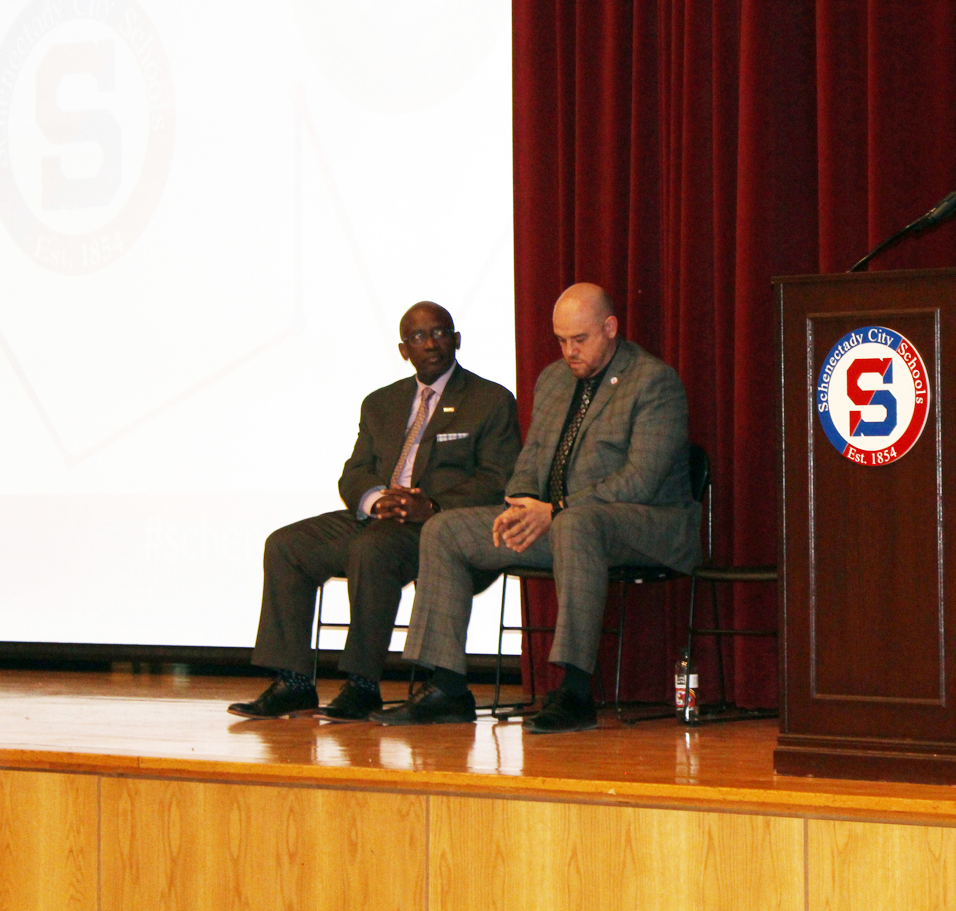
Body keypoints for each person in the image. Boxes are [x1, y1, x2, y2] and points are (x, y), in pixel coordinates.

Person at [373, 282, 700, 733]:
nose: (569, 351)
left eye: (579, 340)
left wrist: (558, 508)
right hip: (563, 523)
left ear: (610, 328)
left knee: (575, 524)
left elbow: (639, 480)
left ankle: (575, 691)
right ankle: (445, 687)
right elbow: (529, 461)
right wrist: (519, 504)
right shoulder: (553, 380)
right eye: (561, 340)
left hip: (647, 524)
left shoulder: (653, 382)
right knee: (444, 530)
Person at [228, 301, 520, 721]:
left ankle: (363, 685)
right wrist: (375, 499)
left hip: (438, 525)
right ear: (404, 350)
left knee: (373, 550)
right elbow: (355, 471)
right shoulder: (380, 403)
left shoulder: (488, 400)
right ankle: (293, 681)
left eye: (440, 333)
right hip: (379, 516)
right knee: (286, 545)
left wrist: (432, 504)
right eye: (418, 337)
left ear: (457, 340)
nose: (431, 344)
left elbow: (498, 477)